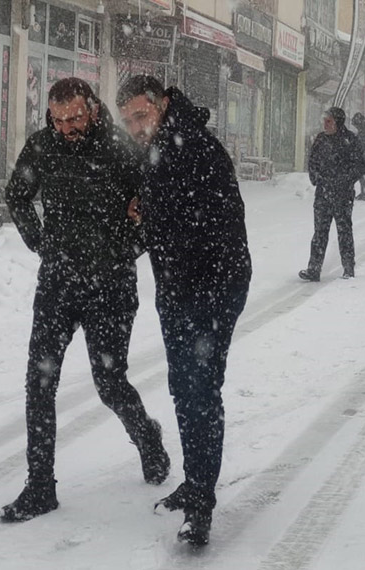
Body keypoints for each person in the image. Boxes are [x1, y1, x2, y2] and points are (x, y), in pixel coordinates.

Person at [0, 78, 169, 523]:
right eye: (59, 120)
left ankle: (148, 439)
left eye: (75, 118)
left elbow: (152, 205)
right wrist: (40, 243)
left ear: (92, 109)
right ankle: (40, 487)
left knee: (110, 383)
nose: (67, 128)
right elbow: (16, 196)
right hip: (58, 282)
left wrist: (124, 248)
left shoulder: (119, 147)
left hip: (110, 287)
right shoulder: (43, 146)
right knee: (39, 384)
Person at [116, 75, 252, 547]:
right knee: (184, 390)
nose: (135, 126)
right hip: (179, 288)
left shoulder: (192, 145)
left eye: (141, 115)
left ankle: (201, 507)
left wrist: (147, 212)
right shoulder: (162, 146)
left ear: (163, 104)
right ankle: (196, 483)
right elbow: (165, 218)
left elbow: (195, 222)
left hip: (214, 287)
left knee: (200, 393)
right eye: (129, 119)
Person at [299, 107, 365, 281]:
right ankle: (314, 269)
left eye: (329, 121)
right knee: (319, 232)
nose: (325, 124)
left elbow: (361, 165)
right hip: (323, 193)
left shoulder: (350, 140)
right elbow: (312, 160)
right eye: (324, 121)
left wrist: (345, 180)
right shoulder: (321, 139)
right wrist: (315, 178)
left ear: (337, 122)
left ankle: (348, 268)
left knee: (344, 231)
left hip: (342, 195)